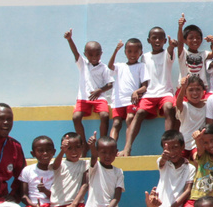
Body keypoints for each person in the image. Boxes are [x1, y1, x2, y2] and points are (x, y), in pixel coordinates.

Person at [122, 26, 178, 156]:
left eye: (160, 38)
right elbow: (142, 78)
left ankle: (168, 147)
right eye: (154, 38)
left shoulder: (168, 54)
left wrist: (172, 46)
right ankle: (127, 147)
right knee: (140, 112)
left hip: (165, 93)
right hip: (149, 94)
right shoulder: (144, 57)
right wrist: (138, 91)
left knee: (169, 108)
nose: (157, 40)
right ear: (149, 40)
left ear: (165, 41)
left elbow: (170, 51)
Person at [64, 30, 113, 139]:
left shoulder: (104, 68)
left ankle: (102, 141)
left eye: (97, 54)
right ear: (85, 54)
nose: (94, 57)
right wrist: (69, 39)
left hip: (99, 97)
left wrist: (99, 90)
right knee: (76, 117)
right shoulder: (83, 64)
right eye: (90, 55)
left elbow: (110, 84)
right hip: (83, 98)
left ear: (101, 54)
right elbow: (75, 52)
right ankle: (83, 144)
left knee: (105, 115)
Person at [19, 135, 56, 207]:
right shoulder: (27, 171)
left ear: (54, 152)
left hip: (50, 206)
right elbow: (23, 195)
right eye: (40, 151)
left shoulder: (57, 170)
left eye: (48, 150)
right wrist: (33, 205)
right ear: (33, 153)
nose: (45, 153)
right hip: (33, 206)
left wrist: (45, 191)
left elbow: (58, 196)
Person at [106, 38, 145, 146]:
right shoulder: (120, 66)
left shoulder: (141, 66)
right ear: (125, 52)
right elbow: (110, 66)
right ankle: (111, 148)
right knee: (116, 123)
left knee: (130, 119)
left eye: (136, 52)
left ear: (140, 53)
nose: (132, 54)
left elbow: (145, 86)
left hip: (132, 100)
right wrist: (115, 50)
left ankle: (127, 147)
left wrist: (137, 91)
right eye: (129, 51)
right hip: (118, 100)